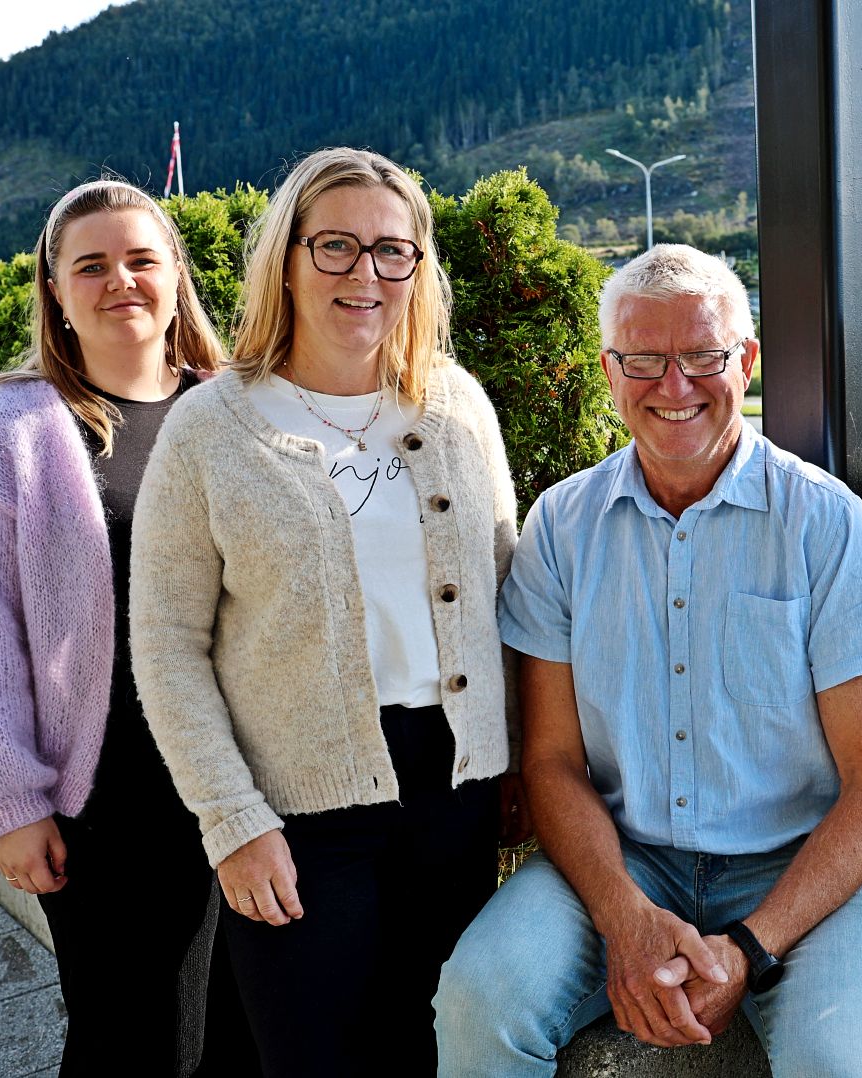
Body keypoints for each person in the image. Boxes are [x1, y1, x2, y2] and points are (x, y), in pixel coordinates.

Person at [434, 244, 862, 1075]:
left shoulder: (826, 524)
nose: (674, 384)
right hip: (619, 858)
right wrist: (624, 918)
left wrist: (750, 947)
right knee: (479, 1001)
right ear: (609, 371)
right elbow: (551, 762)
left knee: (842, 1065)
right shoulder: (562, 527)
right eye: (644, 360)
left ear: (746, 361)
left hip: (796, 868)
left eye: (702, 356)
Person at [128, 146, 522, 1076]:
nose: (365, 273)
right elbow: (167, 645)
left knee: (437, 1056)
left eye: (393, 251)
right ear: (288, 257)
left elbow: (507, 593)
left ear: (419, 268)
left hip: (455, 795)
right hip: (296, 812)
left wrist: (518, 765)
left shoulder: (457, 405)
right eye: (336, 245)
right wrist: (232, 820)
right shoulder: (210, 427)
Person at [0, 178, 255, 1076]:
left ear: (176, 275)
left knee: (240, 1033)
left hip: (245, 777)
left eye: (141, 259)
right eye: (91, 265)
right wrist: (8, 805)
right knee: (134, 1041)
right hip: (108, 799)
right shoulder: (6, 433)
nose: (120, 281)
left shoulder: (236, 410)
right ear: (55, 290)